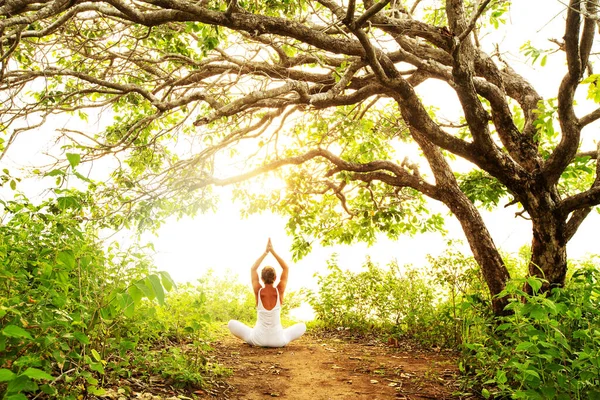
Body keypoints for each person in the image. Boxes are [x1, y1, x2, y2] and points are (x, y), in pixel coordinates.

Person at [227, 238, 306, 347]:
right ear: (275, 277)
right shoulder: (279, 291)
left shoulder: (258, 291)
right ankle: (278, 334)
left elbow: (253, 269)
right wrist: (272, 251)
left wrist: (265, 252)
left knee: (231, 324)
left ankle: (261, 333)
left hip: (257, 339)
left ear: (261, 278)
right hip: (278, 341)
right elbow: (285, 268)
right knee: (302, 326)